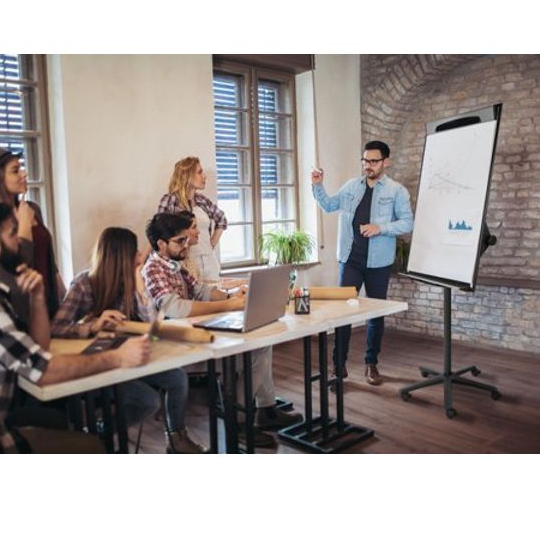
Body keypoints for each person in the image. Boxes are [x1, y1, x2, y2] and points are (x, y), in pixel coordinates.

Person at [0, 203, 150, 453]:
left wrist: (37, 299)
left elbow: (39, 348)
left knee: (64, 426)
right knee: (92, 446)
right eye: (12, 233)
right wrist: (117, 357)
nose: (20, 241)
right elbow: (41, 369)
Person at [142, 212, 302, 447]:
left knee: (261, 345)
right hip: (174, 350)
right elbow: (175, 308)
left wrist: (231, 295)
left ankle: (266, 410)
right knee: (255, 353)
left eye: (186, 239)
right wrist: (227, 305)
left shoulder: (176, 265)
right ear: (161, 244)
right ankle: (239, 423)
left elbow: (202, 291)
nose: (187, 244)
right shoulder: (153, 269)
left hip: (192, 338)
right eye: (180, 240)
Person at [52, 227, 206, 453]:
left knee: (177, 378)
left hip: (127, 355)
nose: (140, 255)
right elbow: (56, 328)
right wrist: (92, 325)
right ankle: (103, 432)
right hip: (98, 361)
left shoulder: (130, 282)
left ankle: (176, 439)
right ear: (121, 255)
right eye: (134, 251)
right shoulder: (84, 283)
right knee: (148, 401)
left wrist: (139, 288)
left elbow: (151, 325)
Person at [311, 140, 414, 385]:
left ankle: (371, 363)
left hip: (379, 263)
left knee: (375, 315)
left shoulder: (396, 191)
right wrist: (317, 185)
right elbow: (329, 205)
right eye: (365, 160)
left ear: (386, 162)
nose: (368, 165)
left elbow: (408, 223)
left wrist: (381, 228)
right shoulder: (351, 186)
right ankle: (338, 366)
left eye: (374, 161)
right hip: (350, 260)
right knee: (343, 313)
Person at [0, 143, 65, 320]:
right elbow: (17, 266)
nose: (24, 174)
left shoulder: (31, 208)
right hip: (20, 307)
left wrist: (61, 292)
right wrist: (24, 225)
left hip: (48, 301)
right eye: (15, 170)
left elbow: (47, 257)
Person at [157, 156, 226, 283]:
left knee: (216, 293)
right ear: (186, 175)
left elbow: (222, 220)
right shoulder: (170, 200)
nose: (204, 176)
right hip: (186, 261)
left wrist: (211, 244)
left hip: (210, 262)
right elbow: (159, 231)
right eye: (199, 172)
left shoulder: (202, 200)